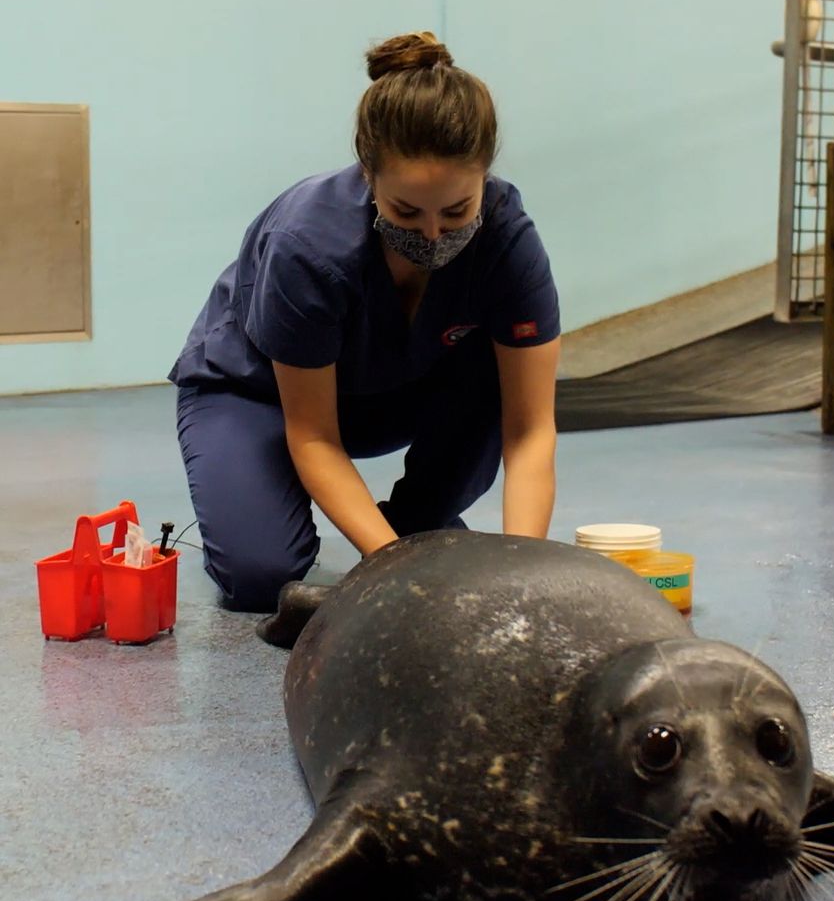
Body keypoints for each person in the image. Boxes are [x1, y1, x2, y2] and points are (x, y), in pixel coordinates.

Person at [168, 31, 560, 613]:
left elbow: (529, 431)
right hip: (259, 396)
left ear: (484, 179)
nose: (432, 234)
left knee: (496, 371)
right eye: (406, 210)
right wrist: (394, 570)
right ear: (369, 177)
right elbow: (315, 435)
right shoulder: (308, 244)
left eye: (457, 210)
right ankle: (285, 507)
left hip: (394, 391)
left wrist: (525, 576)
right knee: (259, 577)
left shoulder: (507, 239)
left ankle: (416, 519)